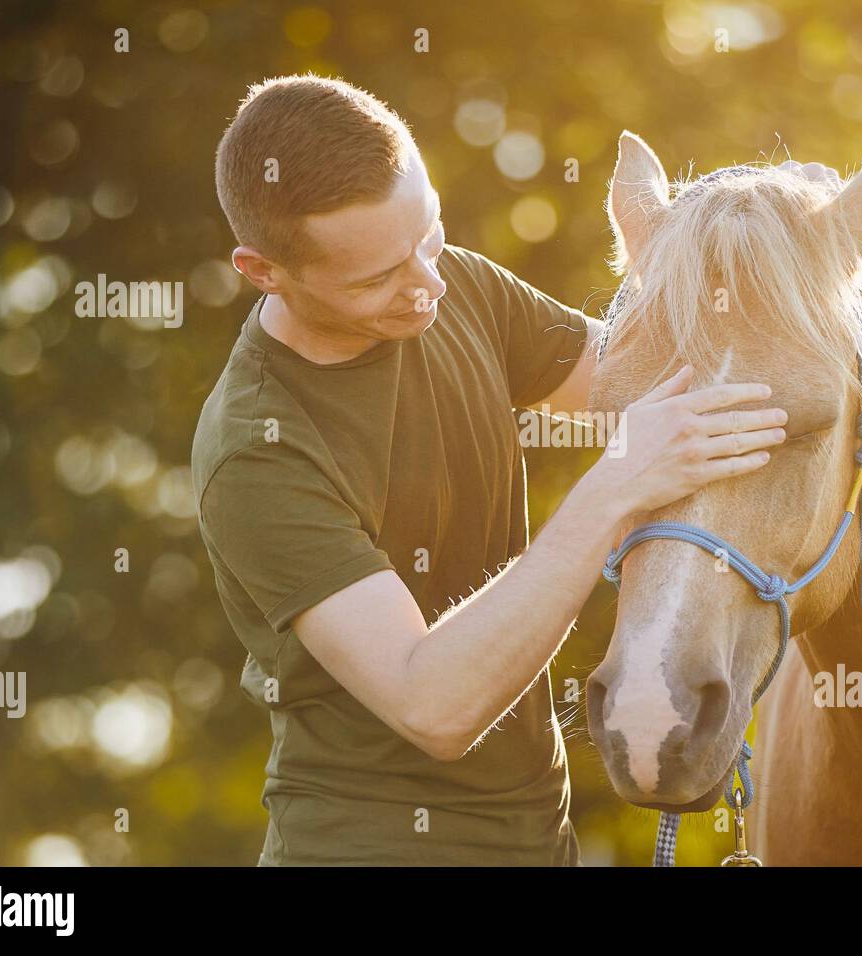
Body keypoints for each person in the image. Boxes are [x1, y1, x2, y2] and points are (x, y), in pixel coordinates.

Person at [191, 74, 789, 865]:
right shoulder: (258, 451)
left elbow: (653, 384)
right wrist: (614, 486)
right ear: (262, 270)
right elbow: (433, 704)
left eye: (430, 236)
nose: (427, 285)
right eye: (377, 278)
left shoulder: (454, 289)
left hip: (542, 844)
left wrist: (785, 253)